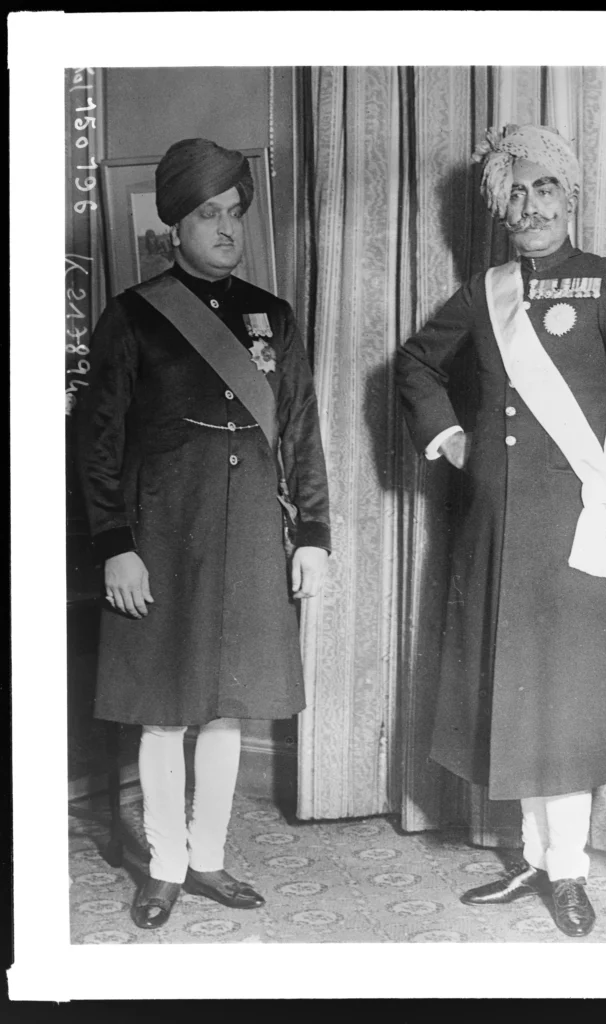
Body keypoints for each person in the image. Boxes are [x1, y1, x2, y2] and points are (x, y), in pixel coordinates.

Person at [395, 124, 606, 937]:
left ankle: (570, 870)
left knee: (570, 698)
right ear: (497, 208)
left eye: (543, 188)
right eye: (513, 194)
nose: (529, 206)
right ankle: (530, 857)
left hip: (582, 525)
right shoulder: (486, 292)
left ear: (571, 195)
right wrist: (450, 436)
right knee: (513, 691)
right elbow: (415, 364)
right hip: (497, 527)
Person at [78, 138, 331, 930]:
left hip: (253, 531)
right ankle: (163, 864)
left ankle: (209, 857)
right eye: (209, 214)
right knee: (163, 709)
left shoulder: (272, 316)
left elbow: (299, 431)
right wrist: (115, 543)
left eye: (235, 213)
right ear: (174, 227)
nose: (227, 228)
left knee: (228, 708)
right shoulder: (132, 316)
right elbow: (98, 442)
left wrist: (313, 533)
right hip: (161, 538)